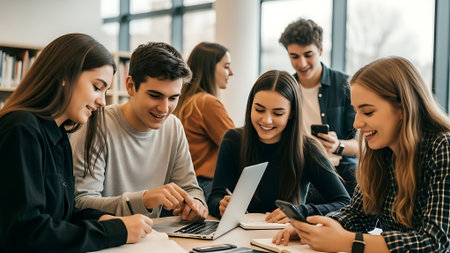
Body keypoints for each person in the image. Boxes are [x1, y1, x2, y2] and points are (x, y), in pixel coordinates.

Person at [273, 57, 450, 252]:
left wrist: (351, 241)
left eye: (367, 112)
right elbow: (358, 214)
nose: (356, 123)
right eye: (356, 111)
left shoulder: (443, 148)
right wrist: (316, 229)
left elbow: (436, 242)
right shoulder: (381, 153)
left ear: (402, 108)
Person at [0, 33, 153, 252]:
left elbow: (63, 213)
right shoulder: (21, 129)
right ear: (65, 75)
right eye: (97, 87)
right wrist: (116, 231)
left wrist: (105, 220)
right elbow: (28, 232)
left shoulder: (60, 136)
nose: (102, 101)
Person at [71, 41, 208, 222]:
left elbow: (191, 188)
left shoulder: (173, 126)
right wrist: (144, 200)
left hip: (153, 237)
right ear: (130, 86)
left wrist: (196, 204)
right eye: (155, 95)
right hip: (107, 239)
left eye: (173, 98)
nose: (164, 108)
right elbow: (81, 203)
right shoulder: (97, 124)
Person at [207, 70, 350, 223]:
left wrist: (300, 211)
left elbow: (344, 203)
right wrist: (220, 206)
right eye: (259, 110)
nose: (267, 120)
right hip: (238, 235)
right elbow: (216, 196)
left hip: (287, 238)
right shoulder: (233, 140)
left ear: (291, 114)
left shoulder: (308, 149)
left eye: (278, 113)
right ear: (250, 107)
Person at [279, 18, 358, 201]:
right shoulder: (285, 89)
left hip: (339, 169)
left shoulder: (344, 86)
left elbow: (362, 146)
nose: (302, 63)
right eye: (294, 56)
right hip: (298, 167)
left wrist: (338, 145)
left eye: (308, 54)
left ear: (320, 50)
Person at [173, 42, 235, 200]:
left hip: (186, 185)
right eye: (226, 66)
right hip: (206, 185)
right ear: (210, 67)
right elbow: (237, 147)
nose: (231, 73)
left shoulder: (186, 103)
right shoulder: (207, 103)